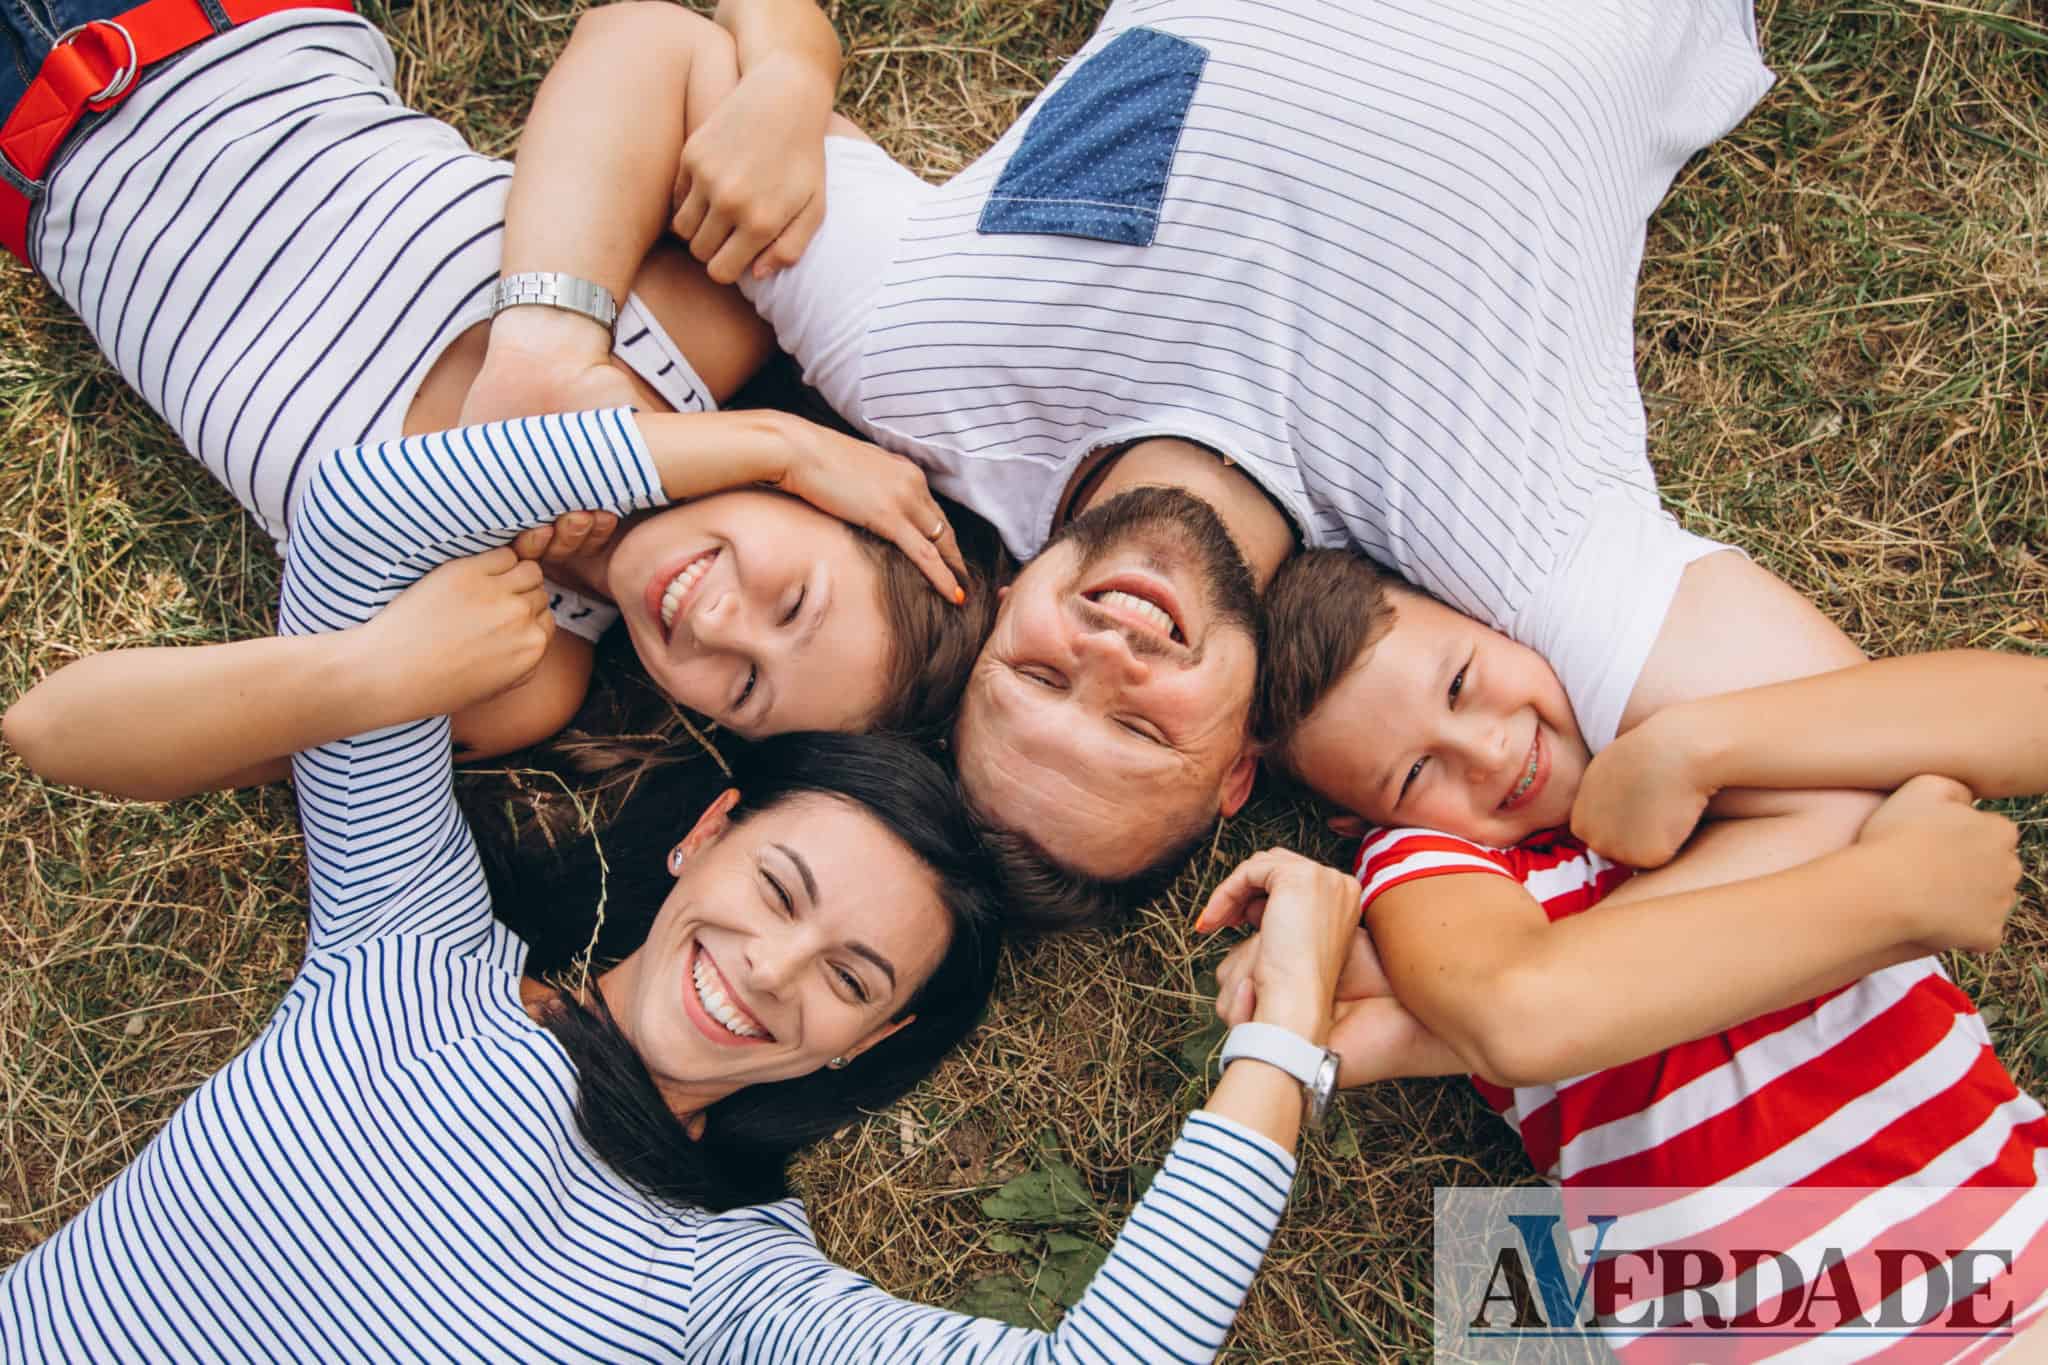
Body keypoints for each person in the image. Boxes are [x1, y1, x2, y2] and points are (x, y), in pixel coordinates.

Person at [0, 400, 1369, 1362]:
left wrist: (1282, 1033)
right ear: (703, 835)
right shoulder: (406, 946)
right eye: (778, 887)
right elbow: (367, 510)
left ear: (877, 1038)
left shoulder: (724, 1290)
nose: (773, 970)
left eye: (851, 977)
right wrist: (767, 448)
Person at [481, 0, 1888, 929]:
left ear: (990, 627)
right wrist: (1515, 985)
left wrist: (550, 345)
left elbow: (665, 57)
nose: (1111, 654)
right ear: (1238, 768)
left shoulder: (925, 370)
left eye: (1039, 678)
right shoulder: (1510, 553)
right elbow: (1855, 773)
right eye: (1144, 726)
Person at [0, 0, 991, 788]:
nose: (719, 624)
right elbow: (655, 43)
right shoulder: (706, 321)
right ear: (823, 493)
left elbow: (63, 731)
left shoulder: (516, 660)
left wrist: (377, 669)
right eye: (791, 601)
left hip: (27, 165)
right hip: (229, 22)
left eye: (743, 687)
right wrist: (551, 350)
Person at [1209, 546, 2048, 1354]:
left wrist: (1693, 746)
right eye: (1414, 775)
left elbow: (2008, 722)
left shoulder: (1701, 719)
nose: (1491, 752)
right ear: (1365, 825)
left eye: (1462, 682)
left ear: (1496, 621)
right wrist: (1881, 871)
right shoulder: (1433, 861)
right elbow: (1519, 999)